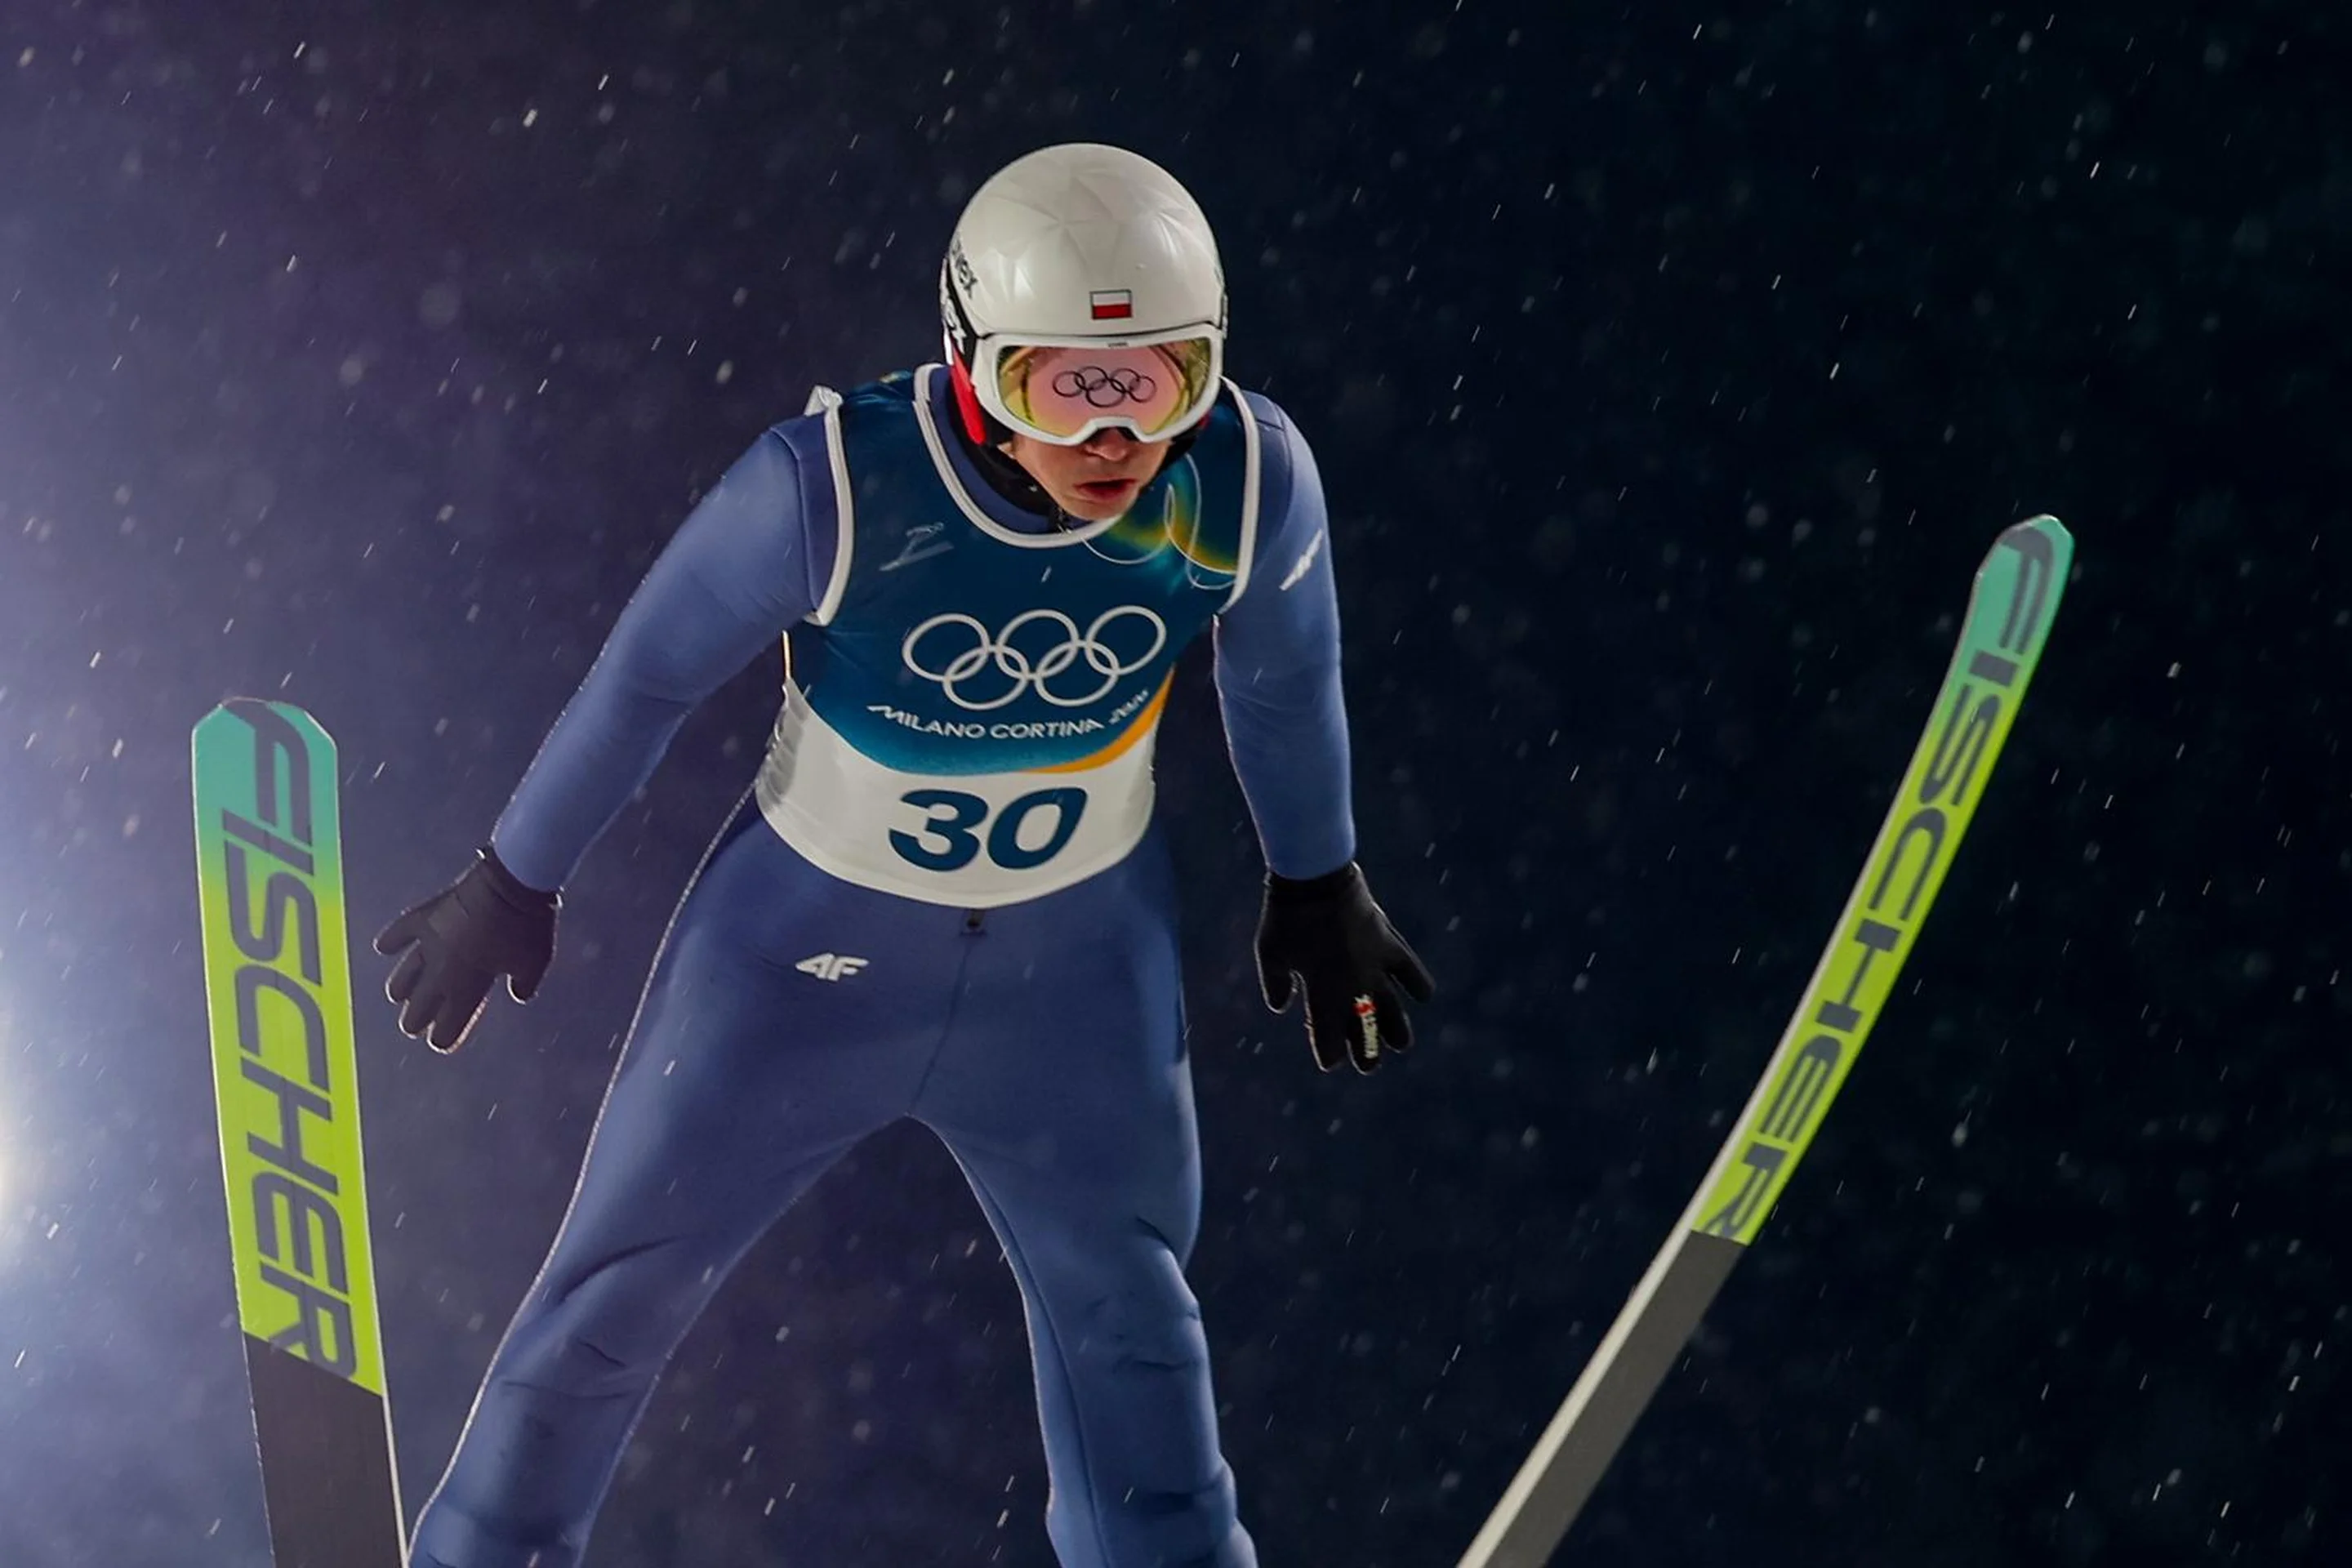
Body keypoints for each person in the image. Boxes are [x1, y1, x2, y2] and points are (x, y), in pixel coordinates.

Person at [376, 140, 1433, 1568]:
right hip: (801, 969)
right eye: (1071, 383)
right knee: (614, 1295)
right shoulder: (833, 486)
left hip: (1071, 984)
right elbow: (647, 680)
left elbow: (1287, 681)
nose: (1119, 441)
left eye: (1161, 382)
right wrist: (513, 877)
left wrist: (1319, 875)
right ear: (975, 362)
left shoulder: (1245, 481)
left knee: (1134, 1335)